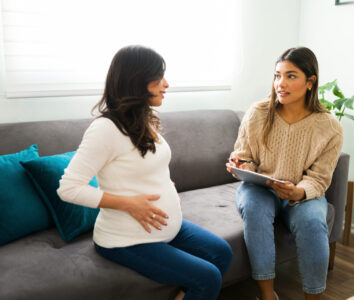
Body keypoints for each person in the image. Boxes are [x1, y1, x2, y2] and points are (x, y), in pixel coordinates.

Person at [58, 45, 232, 300]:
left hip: (164, 227)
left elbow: (145, 166)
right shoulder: (105, 129)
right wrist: (129, 204)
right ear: (137, 81)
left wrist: (165, 186)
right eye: (159, 77)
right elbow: (69, 188)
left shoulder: (144, 119)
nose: (167, 84)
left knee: (222, 253)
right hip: (125, 240)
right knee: (208, 276)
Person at [226, 47, 343, 300]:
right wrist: (242, 166)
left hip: (301, 193)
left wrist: (299, 191)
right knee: (255, 211)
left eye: (291, 76)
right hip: (258, 188)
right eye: (277, 75)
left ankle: (313, 297)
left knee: (312, 222)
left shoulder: (329, 127)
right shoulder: (258, 112)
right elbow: (244, 154)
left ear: (310, 82)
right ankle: (268, 296)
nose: (281, 83)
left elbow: (320, 179)